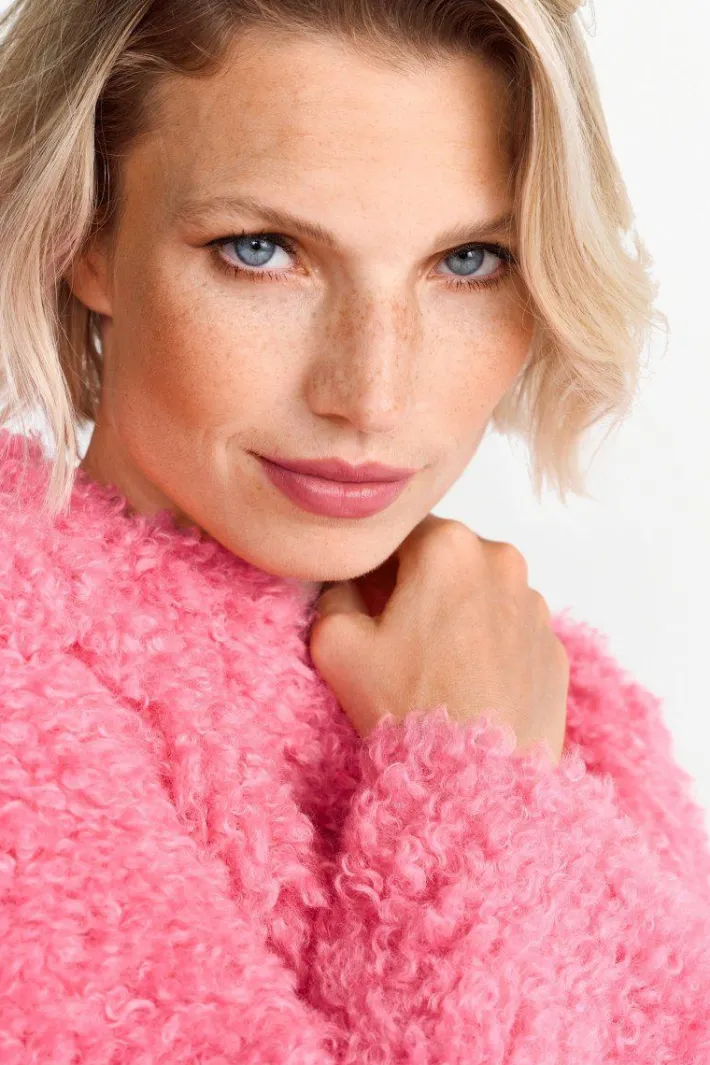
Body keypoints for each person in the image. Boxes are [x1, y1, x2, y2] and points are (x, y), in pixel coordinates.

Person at [0, 0, 708, 1061]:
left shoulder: (540, 685)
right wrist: (476, 789)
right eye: (261, 249)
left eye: (467, 262)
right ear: (85, 237)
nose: (372, 395)